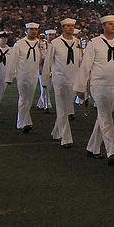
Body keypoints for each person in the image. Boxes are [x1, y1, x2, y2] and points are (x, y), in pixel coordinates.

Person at [75, 15, 114, 166]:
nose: (113, 27)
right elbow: (86, 65)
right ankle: (112, 150)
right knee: (105, 116)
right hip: (98, 84)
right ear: (103, 26)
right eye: (110, 24)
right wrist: (80, 87)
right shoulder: (95, 43)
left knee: (104, 116)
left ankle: (92, 147)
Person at [43, 18, 80, 149]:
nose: (71, 28)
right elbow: (48, 62)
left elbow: (80, 61)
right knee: (61, 107)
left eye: (72, 26)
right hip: (59, 79)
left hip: (73, 79)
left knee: (67, 106)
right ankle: (66, 137)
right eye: (68, 26)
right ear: (63, 28)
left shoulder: (78, 42)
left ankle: (57, 131)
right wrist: (45, 80)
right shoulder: (55, 43)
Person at [6, 23, 42, 133]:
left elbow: (42, 59)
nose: (34, 31)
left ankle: (26, 121)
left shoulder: (40, 44)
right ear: (26, 30)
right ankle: (21, 123)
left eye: (35, 29)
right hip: (22, 75)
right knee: (23, 98)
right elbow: (13, 61)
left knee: (29, 99)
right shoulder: (19, 44)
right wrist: (9, 77)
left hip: (34, 75)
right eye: (31, 29)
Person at [38, 28, 57, 113]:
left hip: (54, 68)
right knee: (44, 87)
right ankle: (47, 105)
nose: (52, 36)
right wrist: (40, 68)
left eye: (53, 35)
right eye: (50, 35)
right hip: (44, 67)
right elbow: (41, 57)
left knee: (48, 88)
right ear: (46, 35)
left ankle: (40, 104)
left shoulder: (57, 44)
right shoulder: (42, 45)